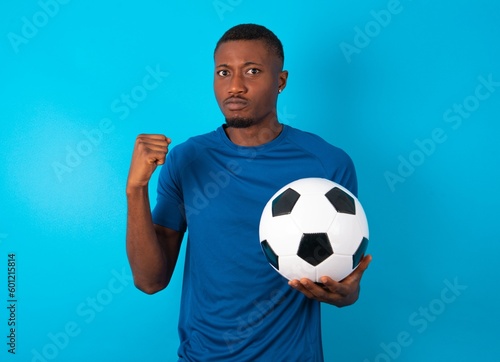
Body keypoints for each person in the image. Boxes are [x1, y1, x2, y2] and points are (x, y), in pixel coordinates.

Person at [126, 23, 371, 361]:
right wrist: (135, 189)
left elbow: (344, 282)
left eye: (252, 71)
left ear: (281, 81)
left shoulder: (328, 164)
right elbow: (149, 281)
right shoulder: (187, 159)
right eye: (223, 72)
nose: (235, 87)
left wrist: (345, 293)